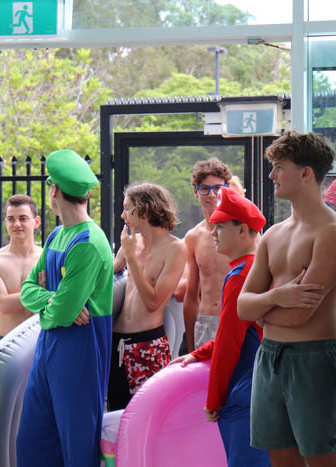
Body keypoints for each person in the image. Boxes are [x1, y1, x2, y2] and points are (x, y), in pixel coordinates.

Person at [238, 130, 336, 467]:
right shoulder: (273, 234)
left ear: (305, 173)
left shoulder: (333, 232)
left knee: (323, 462)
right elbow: (241, 307)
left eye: (279, 167)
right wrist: (279, 295)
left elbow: (297, 316)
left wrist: (262, 308)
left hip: (313, 359)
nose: (271, 175)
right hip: (269, 357)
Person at [16, 149, 113, 467]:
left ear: (53, 190)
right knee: (33, 441)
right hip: (49, 347)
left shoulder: (88, 243)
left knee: (77, 445)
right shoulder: (57, 234)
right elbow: (28, 291)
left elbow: (63, 312)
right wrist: (51, 299)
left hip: (81, 350)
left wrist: (53, 304)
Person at [173, 187, 270, 467]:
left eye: (220, 226)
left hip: (246, 393)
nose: (213, 233)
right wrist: (199, 353)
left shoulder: (241, 276)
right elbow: (236, 334)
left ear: (242, 230)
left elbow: (229, 344)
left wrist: (214, 400)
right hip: (257, 389)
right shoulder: (252, 268)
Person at [108, 182, 187, 410]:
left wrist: (131, 258)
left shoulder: (175, 249)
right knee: (115, 413)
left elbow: (153, 303)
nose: (122, 216)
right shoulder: (131, 243)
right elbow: (106, 274)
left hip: (147, 344)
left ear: (144, 210)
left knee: (147, 413)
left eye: (127, 208)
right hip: (117, 341)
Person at [0, 194, 42, 351]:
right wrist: (41, 293)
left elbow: (59, 299)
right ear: (6, 222)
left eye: (23, 218)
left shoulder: (47, 259)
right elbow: (3, 305)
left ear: (36, 222)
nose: (17, 224)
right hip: (3, 342)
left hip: (39, 342)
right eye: (11, 219)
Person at [183, 158, 233, 351]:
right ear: (196, 192)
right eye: (205, 189)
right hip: (205, 323)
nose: (212, 195)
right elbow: (191, 296)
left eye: (218, 188)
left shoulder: (242, 231)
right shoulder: (193, 237)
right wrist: (190, 346)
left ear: (227, 189)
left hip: (236, 319)